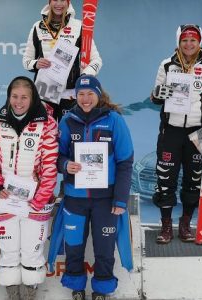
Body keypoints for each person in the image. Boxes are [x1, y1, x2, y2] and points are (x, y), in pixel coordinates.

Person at [56, 75, 134, 300]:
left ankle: (102, 290)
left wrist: (120, 199)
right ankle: (77, 287)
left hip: (105, 200)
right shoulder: (67, 121)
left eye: (90, 93)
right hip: (74, 198)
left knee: (104, 249)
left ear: (99, 94)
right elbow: (56, 156)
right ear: (75, 96)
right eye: (81, 93)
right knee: (74, 247)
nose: (85, 98)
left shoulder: (114, 120)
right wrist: (65, 164)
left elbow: (125, 162)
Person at [0, 76, 58, 300]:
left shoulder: (48, 123)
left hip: (35, 200)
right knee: (7, 246)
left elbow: (50, 164)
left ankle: (29, 291)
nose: (18, 102)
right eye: (14, 97)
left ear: (33, 97)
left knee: (32, 247)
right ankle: (11, 289)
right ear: (8, 97)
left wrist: (40, 197)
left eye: (24, 97)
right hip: (4, 197)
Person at [150, 24, 202, 244]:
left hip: (198, 131)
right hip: (171, 131)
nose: (189, 44)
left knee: (193, 180)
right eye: (185, 40)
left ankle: (185, 225)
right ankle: (166, 226)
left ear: (200, 42)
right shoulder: (167, 65)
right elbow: (155, 96)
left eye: (193, 40)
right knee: (165, 179)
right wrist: (161, 93)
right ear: (178, 42)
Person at [23, 0, 102, 122]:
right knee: (46, 136)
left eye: (62, 0)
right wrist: (36, 64)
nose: (58, 4)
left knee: (69, 136)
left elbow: (96, 61)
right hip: (45, 93)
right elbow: (26, 61)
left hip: (70, 95)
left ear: (68, 2)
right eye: (55, 0)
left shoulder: (78, 26)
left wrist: (84, 77)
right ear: (49, 2)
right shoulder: (37, 27)